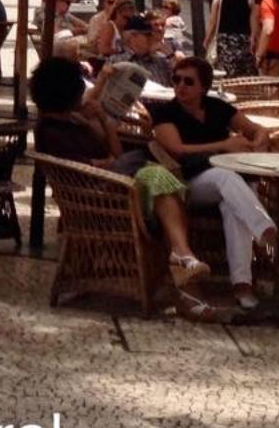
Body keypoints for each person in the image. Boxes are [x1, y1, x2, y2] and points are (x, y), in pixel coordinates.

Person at [28, 54, 213, 298]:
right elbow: (83, 166)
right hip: (99, 199)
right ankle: (182, 258)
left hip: (115, 188)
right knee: (157, 175)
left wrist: (102, 120)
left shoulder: (74, 120)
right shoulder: (52, 130)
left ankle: (182, 257)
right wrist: (107, 163)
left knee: (158, 177)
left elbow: (114, 151)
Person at [149, 57, 279, 313]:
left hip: (226, 187)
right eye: (176, 79)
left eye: (189, 81)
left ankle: (242, 286)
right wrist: (222, 146)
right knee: (226, 177)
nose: (180, 86)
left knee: (234, 210)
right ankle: (265, 229)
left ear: (203, 87)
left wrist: (258, 141)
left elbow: (257, 130)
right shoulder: (165, 113)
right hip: (188, 183)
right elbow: (176, 149)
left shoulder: (218, 108)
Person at [203, 0, 258, 77]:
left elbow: (212, 22)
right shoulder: (250, 1)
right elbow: (254, 24)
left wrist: (207, 40)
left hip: (224, 42)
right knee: (245, 77)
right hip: (244, 42)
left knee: (225, 76)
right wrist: (254, 41)